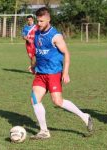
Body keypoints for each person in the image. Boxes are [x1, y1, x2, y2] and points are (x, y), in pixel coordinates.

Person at [30, 7, 93, 140]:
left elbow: (66, 53)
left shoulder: (55, 36)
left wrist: (66, 73)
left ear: (48, 19)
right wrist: (34, 65)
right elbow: (38, 52)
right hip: (40, 73)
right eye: (38, 21)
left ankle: (84, 116)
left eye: (41, 21)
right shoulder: (36, 33)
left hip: (53, 73)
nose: (39, 24)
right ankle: (44, 131)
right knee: (34, 99)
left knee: (57, 102)